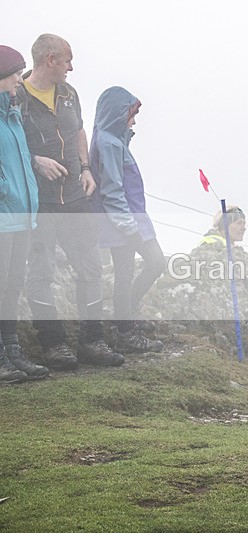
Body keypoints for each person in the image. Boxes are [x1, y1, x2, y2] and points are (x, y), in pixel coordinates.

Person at [18, 34, 123, 369]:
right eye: (67, 60)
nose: (71, 67)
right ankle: (54, 345)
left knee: (91, 267)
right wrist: (35, 160)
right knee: (42, 272)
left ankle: (92, 340)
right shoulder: (15, 97)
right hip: (40, 202)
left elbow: (78, 131)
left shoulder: (69, 93)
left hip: (76, 198)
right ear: (50, 60)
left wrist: (87, 168)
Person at [89, 86, 165, 354]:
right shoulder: (108, 143)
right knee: (149, 264)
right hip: (124, 221)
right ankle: (125, 329)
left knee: (129, 272)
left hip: (130, 219)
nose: (134, 120)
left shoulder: (112, 139)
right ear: (117, 114)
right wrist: (128, 226)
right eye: (130, 114)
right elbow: (111, 189)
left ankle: (125, 322)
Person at [0, 45, 49, 383]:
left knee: (12, 286)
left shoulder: (13, 115)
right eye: (15, 73)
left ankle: (12, 351)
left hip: (21, 216)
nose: (20, 78)